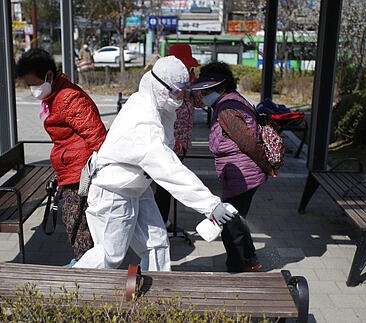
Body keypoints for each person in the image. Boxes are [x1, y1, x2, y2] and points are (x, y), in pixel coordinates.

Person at [74, 56, 238, 271]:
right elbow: (168, 169)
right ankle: (70, 291)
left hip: (136, 187)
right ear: (160, 87)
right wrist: (210, 204)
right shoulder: (144, 119)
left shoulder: (154, 103)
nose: (180, 97)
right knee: (109, 255)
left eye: (183, 91)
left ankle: (159, 294)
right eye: (176, 92)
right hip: (113, 191)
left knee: (157, 243)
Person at [16, 48, 107, 267]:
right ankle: (84, 261)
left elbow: (97, 135)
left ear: (48, 75)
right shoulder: (56, 95)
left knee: (77, 220)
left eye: (33, 83)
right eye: (28, 85)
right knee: (73, 219)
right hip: (71, 168)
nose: (32, 89)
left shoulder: (69, 98)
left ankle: (86, 266)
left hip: (80, 171)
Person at [194, 61, 277, 272]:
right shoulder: (232, 101)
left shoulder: (227, 111)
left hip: (244, 175)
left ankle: (237, 267)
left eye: (207, 90)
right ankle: (250, 259)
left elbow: (249, 143)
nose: (203, 94)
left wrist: (267, 167)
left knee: (229, 223)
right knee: (236, 219)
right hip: (241, 174)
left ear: (221, 88)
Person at [154, 44, 203, 227]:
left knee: (167, 185)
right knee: (165, 185)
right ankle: (160, 221)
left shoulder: (191, 82)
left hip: (182, 142)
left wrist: (193, 83)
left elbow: (200, 103)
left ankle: (162, 219)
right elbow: (168, 102)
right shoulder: (167, 82)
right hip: (169, 140)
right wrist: (182, 86)